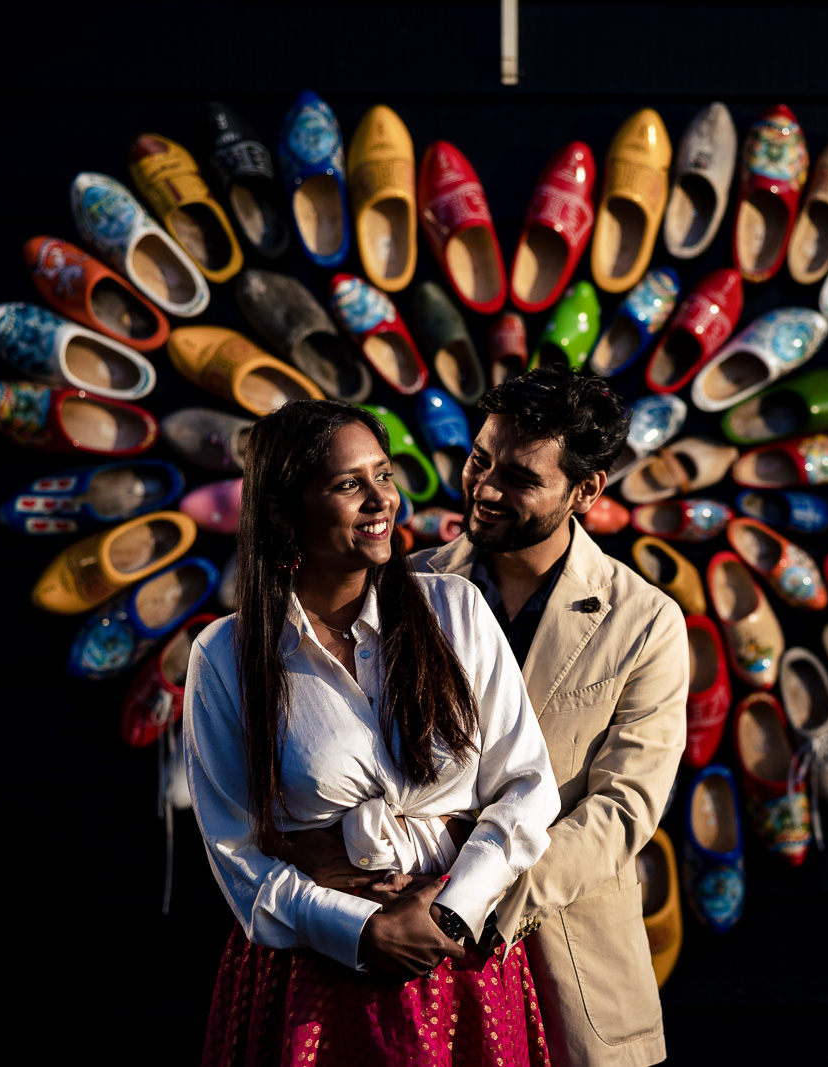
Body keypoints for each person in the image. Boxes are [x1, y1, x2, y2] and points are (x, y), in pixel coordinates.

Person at [183, 399, 561, 1066]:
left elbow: (528, 786)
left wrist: (447, 909)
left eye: (382, 474)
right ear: (281, 510)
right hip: (314, 972)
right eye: (346, 483)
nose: (378, 499)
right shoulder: (227, 656)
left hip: (458, 958)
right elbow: (235, 851)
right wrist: (363, 930)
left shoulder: (456, 611)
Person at [412, 367, 689, 1067]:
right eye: (480, 460)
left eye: (520, 477)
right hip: (411, 967)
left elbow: (624, 806)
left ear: (586, 491)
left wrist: (476, 899)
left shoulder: (647, 621)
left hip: (571, 972)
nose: (486, 487)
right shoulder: (407, 591)